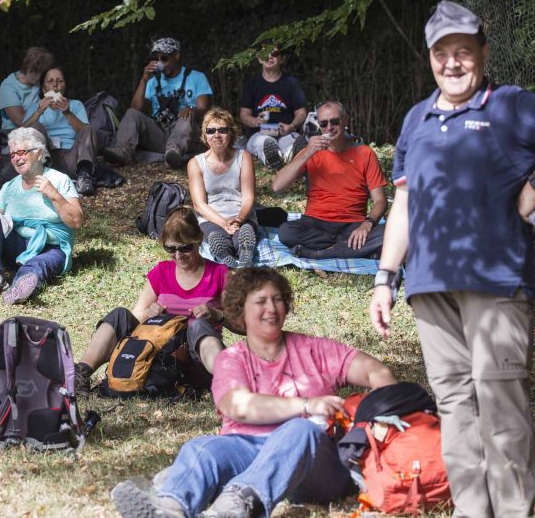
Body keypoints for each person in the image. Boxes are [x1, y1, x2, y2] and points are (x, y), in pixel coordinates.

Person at [369, 1, 535, 516]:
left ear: (482, 53)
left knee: (500, 406)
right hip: (429, 286)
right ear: (430, 58)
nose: (452, 63)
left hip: (498, 282)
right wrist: (385, 277)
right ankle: (472, 511)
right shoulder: (416, 119)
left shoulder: (509, 105)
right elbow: (404, 204)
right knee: (453, 404)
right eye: (441, 53)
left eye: (463, 52)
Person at [111, 267, 396, 518]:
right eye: (260, 302)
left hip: (314, 465)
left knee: (300, 430)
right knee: (202, 448)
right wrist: (307, 404)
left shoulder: (316, 349)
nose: (271, 309)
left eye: (278, 300)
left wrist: (380, 417)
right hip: (248, 450)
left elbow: (377, 373)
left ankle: (233, 510)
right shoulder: (231, 359)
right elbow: (239, 406)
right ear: (240, 311)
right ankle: (169, 508)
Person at [74, 206, 233, 395]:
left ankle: (229, 382)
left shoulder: (220, 273)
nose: (178, 256)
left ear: (199, 240)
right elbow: (137, 314)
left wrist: (217, 314)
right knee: (119, 316)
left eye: (185, 248)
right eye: (170, 249)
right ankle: (81, 373)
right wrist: (150, 313)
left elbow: (243, 325)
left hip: (196, 361)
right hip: (159, 356)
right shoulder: (161, 272)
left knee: (198, 325)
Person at [0, 127, 83, 305]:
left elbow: (77, 221)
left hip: (51, 247)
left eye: (22, 152)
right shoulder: (9, 187)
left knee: (38, 265)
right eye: (13, 154)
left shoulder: (58, 179)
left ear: (39, 154)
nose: (17, 158)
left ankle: (20, 287)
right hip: (16, 247)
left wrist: (54, 195)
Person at [272, 101, 387, 259]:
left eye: (334, 121)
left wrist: (367, 224)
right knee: (286, 232)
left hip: (353, 223)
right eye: (323, 123)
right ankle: (353, 248)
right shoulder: (311, 151)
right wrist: (307, 153)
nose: (329, 128)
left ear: (345, 121)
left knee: (391, 233)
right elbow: (277, 186)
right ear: (319, 126)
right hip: (315, 222)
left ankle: (320, 253)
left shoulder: (365, 153)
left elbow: (380, 201)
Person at [103, 37, 212, 169]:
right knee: (131, 114)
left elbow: (204, 108)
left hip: (186, 134)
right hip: (160, 132)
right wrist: (144, 80)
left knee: (186, 113)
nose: (160, 63)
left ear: (176, 56)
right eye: (157, 59)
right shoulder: (153, 81)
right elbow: (136, 108)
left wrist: (191, 109)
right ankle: (122, 151)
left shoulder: (196, 77)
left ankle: (174, 154)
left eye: (164, 58)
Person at [188, 108, 257, 268]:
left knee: (243, 234)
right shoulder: (196, 163)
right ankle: (224, 254)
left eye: (222, 130)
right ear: (205, 135)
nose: (217, 135)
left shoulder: (243, 156)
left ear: (231, 133)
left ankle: (246, 252)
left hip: (241, 213)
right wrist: (223, 222)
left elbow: (248, 197)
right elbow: (199, 204)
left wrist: (239, 219)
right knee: (216, 235)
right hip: (212, 216)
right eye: (211, 131)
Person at [16, 67, 100, 196]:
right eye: (50, 81)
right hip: (44, 159)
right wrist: (39, 111)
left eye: (59, 81)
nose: (55, 85)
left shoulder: (75, 105)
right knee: (34, 126)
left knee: (87, 128)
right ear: (43, 88)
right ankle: (45, 174)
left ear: (65, 86)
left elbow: (85, 133)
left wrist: (67, 112)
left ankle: (83, 177)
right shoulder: (35, 107)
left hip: (71, 157)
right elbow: (20, 134)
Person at [238, 47, 308, 170]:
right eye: (265, 54)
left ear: (281, 59)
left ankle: (290, 155)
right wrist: (255, 121)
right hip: (260, 132)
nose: (269, 57)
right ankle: (273, 157)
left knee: (293, 143)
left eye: (274, 54)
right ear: (259, 59)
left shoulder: (291, 83)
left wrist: (292, 126)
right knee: (264, 143)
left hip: (285, 130)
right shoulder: (252, 83)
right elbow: (244, 115)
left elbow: (301, 112)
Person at [0, 46, 54, 132]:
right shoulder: (8, 87)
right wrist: (40, 108)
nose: (46, 76)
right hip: (16, 135)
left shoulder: (39, 82)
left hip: (47, 130)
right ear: (31, 71)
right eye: (43, 73)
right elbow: (20, 121)